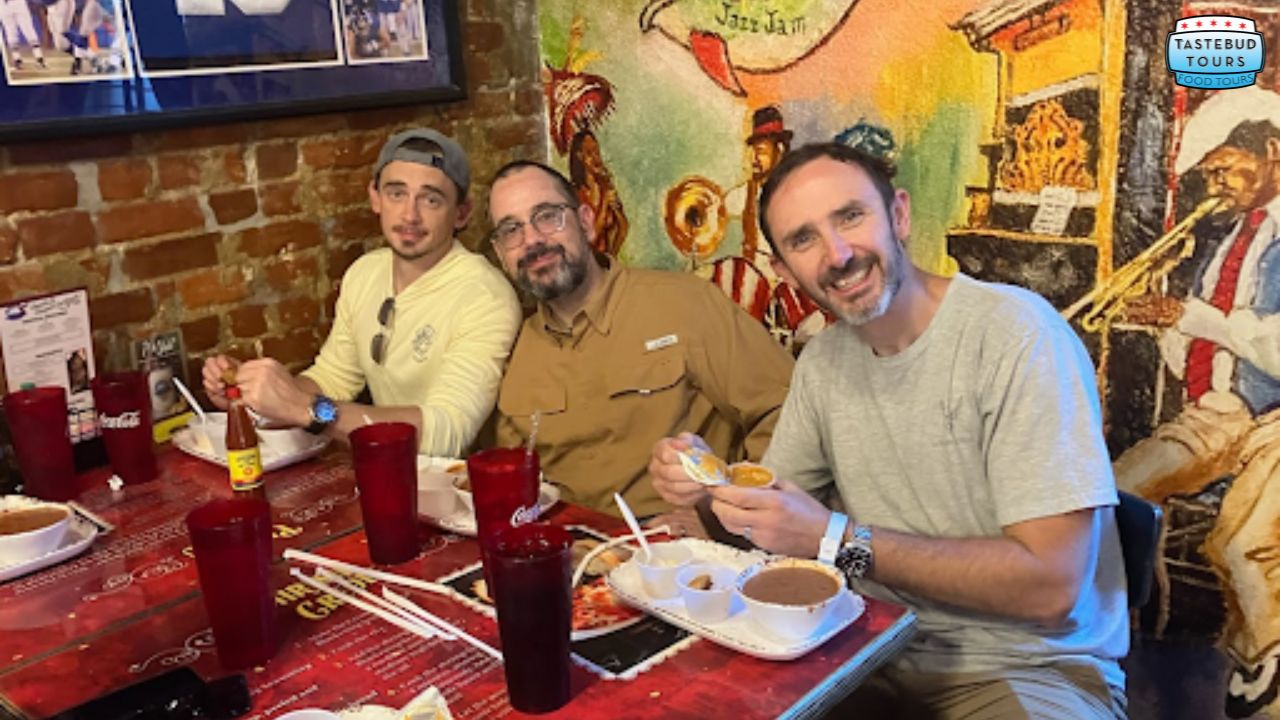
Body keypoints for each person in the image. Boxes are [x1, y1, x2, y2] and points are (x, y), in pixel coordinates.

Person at [651, 142, 1128, 718]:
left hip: (1021, 669)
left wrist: (836, 540)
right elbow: (771, 527)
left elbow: (1053, 589)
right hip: (859, 654)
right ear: (782, 269)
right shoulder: (824, 362)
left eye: (851, 216)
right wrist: (708, 487)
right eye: (803, 239)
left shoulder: (1016, 336)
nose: (838, 254)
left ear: (898, 215)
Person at [486, 160, 793, 519]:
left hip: (681, 554)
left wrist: (721, 516)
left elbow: (787, 415)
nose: (533, 240)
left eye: (548, 216)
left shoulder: (683, 304)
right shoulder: (518, 350)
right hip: (570, 554)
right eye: (511, 230)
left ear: (586, 221)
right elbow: (513, 484)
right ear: (500, 255)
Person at [203, 129, 521, 456]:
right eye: (397, 193)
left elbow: (449, 433)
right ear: (375, 197)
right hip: (386, 471)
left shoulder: (485, 295)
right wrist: (258, 396)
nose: (410, 215)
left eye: (431, 199)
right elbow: (332, 378)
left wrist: (307, 410)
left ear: (462, 213)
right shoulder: (365, 273)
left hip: (460, 489)